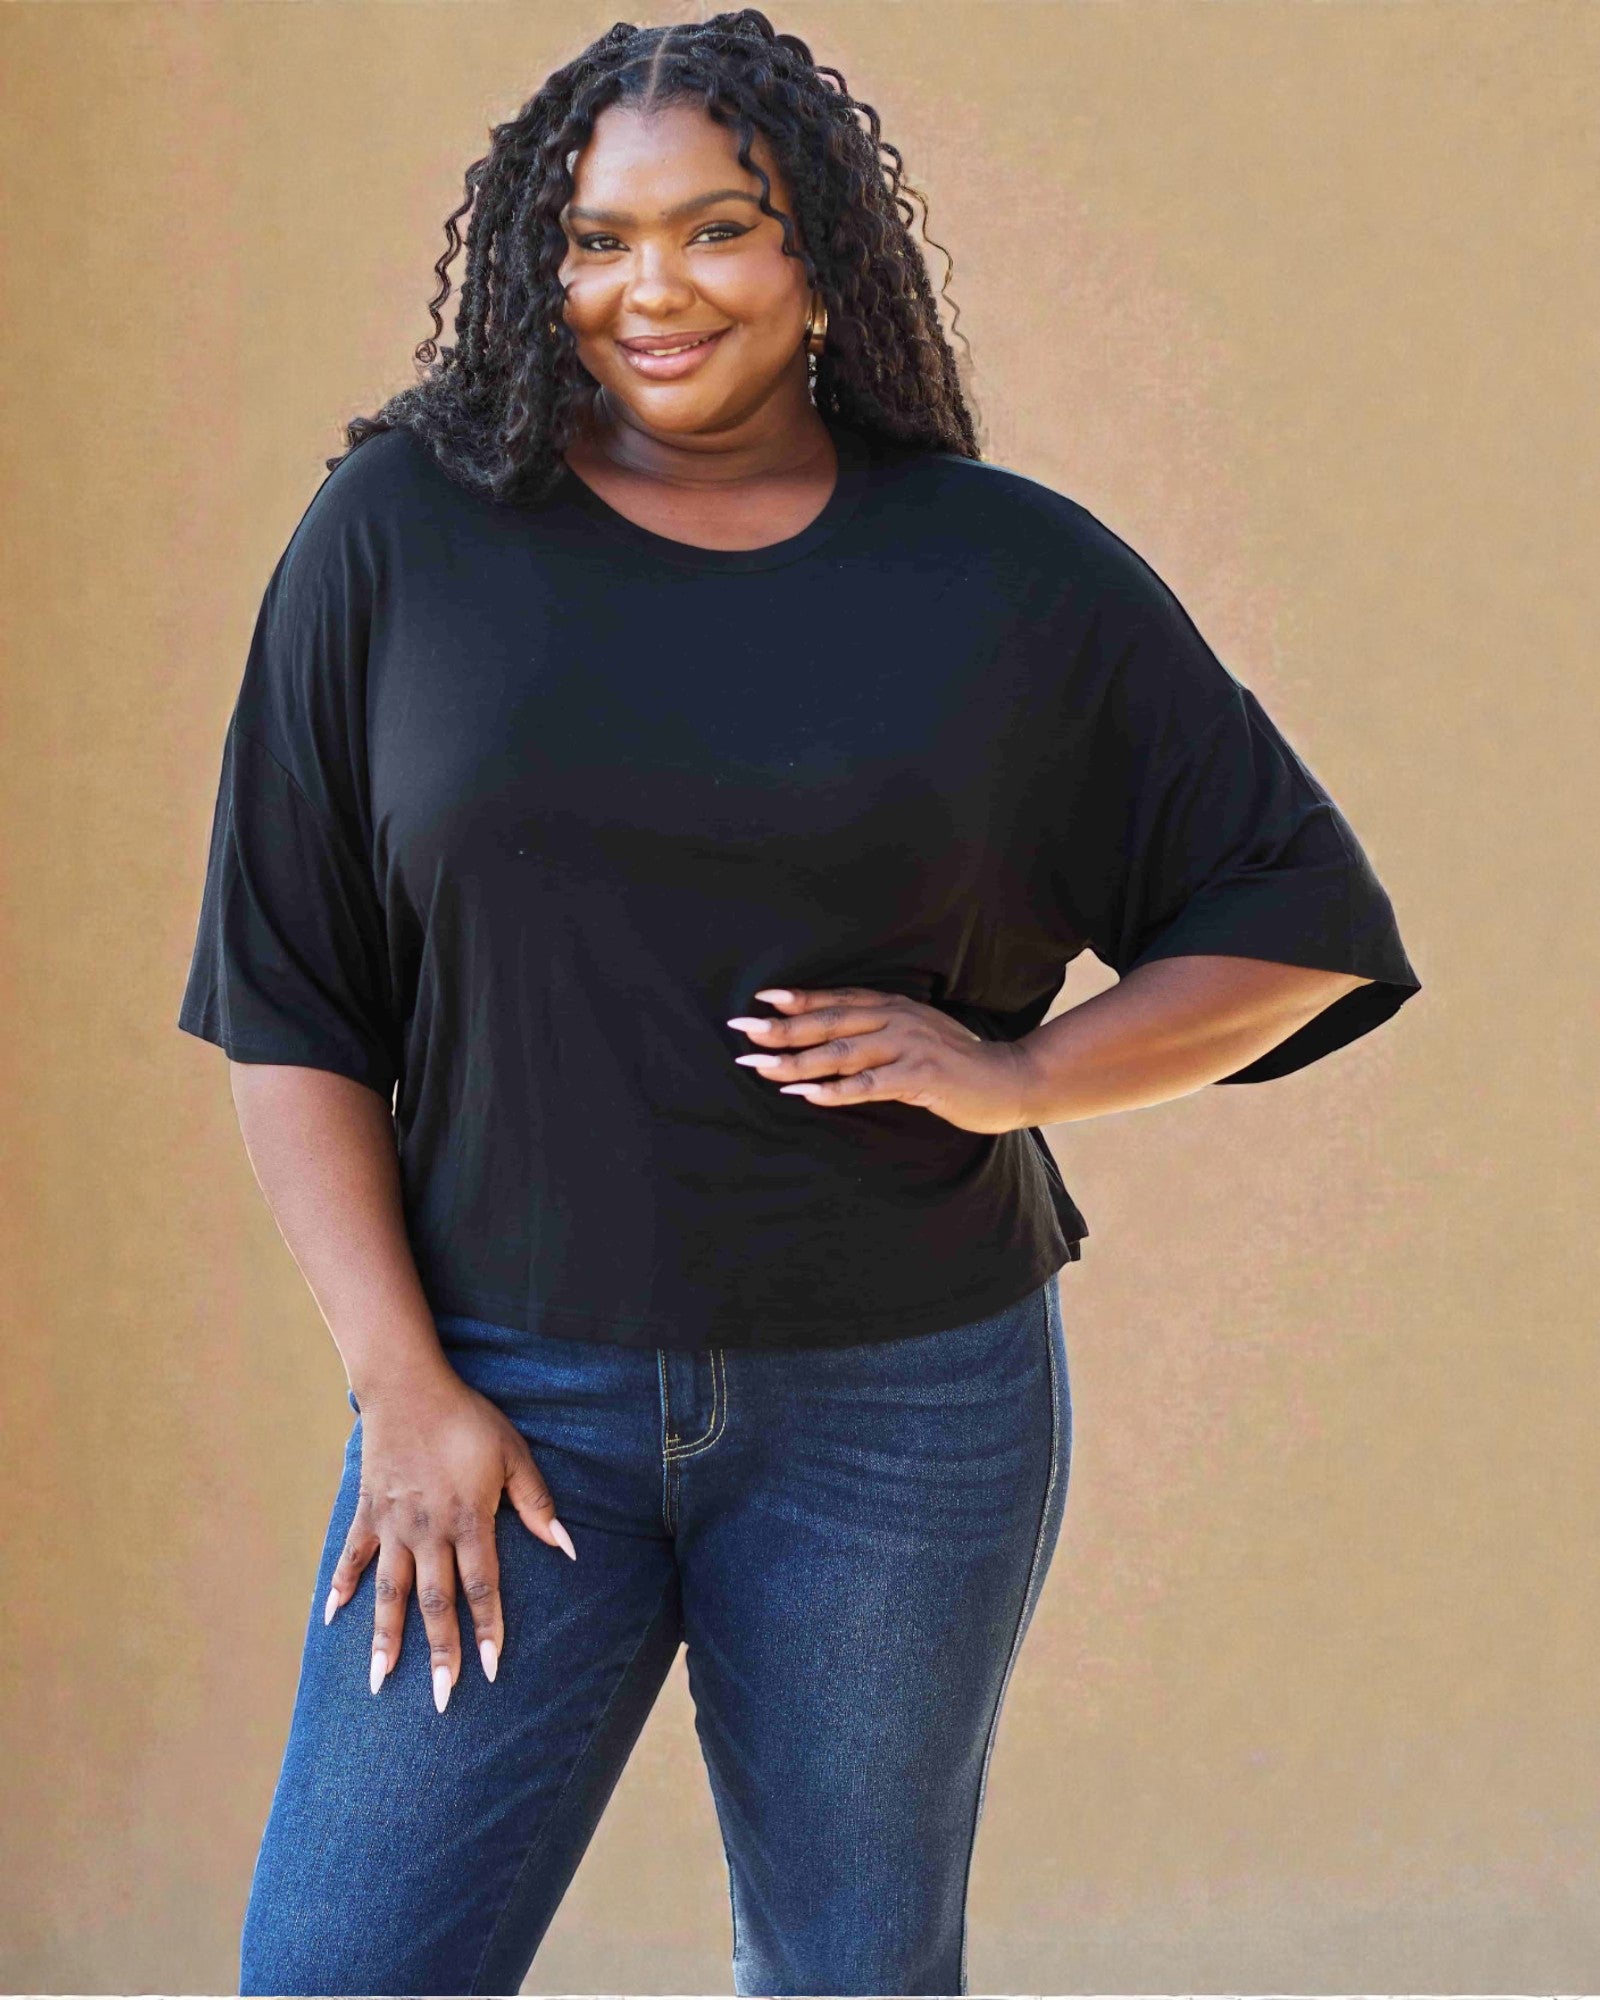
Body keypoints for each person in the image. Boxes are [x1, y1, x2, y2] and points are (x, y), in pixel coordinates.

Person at [175, 12, 1421, 1996]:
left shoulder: (1002, 575)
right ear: (535, 264)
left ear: (817, 257)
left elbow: (1296, 916)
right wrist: (402, 1387)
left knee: (852, 1974)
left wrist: (1020, 1073)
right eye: (594, 240)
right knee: (339, 1969)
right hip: (503, 1394)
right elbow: (290, 996)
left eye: (716, 231)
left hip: (898, 1404)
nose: (648, 289)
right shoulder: (399, 538)